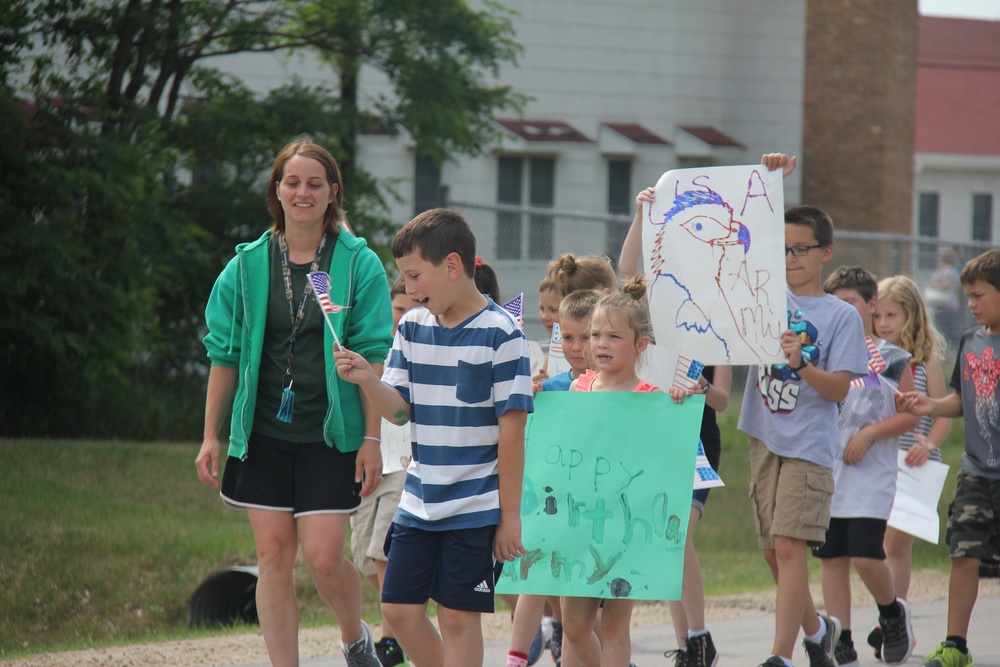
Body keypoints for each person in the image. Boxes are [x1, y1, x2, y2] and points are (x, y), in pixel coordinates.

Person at [195, 137, 392, 667]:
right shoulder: (247, 265)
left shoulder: (360, 264)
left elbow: (374, 355)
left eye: (314, 183)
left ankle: (354, 637)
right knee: (273, 557)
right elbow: (225, 354)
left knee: (326, 558)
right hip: (262, 434)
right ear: (276, 192)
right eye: (292, 182)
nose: (302, 192)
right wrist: (212, 434)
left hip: (332, 434)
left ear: (332, 194)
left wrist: (372, 440)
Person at [333, 208, 534, 667]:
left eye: (414, 276)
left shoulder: (503, 334)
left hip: (477, 507)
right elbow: (400, 412)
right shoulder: (412, 327)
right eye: (404, 279)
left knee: (459, 618)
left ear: (451, 266)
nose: (408, 290)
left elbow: (513, 433)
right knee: (398, 611)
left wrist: (509, 518)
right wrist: (368, 379)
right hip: (419, 500)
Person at [738, 154, 869, 667]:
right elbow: (734, 241)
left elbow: (839, 390)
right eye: (783, 248)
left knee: (791, 547)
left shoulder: (841, 316)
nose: (790, 257)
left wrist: (800, 363)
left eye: (801, 249)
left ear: (825, 252)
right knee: (774, 553)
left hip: (809, 442)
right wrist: (771, 182)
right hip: (762, 434)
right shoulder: (760, 295)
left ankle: (781, 655)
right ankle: (818, 631)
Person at [620, 185, 732, 667]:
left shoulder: (717, 316)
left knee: (676, 534)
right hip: (651, 433)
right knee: (663, 539)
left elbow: (724, 399)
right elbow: (626, 268)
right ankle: (686, 643)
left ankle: (700, 636)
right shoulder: (647, 303)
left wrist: (700, 387)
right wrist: (643, 211)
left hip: (695, 438)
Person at [816, 266, 919, 667]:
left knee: (864, 553)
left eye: (850, 303)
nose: (842, 311)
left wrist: (870, 434)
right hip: (828, 472)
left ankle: (892, 612)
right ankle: (841, 638)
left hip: (871, 475)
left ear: (871, 305)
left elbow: (911, 415)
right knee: (832, 556)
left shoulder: (892, 358)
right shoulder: (822, 357)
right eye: (834, 304)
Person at [902, 248, 1000, 667]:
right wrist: (929, 405)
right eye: (968, 295)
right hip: (977, 471)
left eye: (979, 295)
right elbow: (961, 399)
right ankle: (955, 645)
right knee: (963, 553)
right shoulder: (971, 341)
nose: (971, 304)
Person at [560, 276, 662, 667]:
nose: (600, 344)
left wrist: (676, 410)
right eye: (595, 335)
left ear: (640, 346)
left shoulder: (651, 400)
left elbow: (660, 461)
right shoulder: (578, 391)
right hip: (581, 524)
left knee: (617, 622)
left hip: (627, 527)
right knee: (573, 625)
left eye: (613, 337)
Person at [507, 289, 600, 667]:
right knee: (535, 572)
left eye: (587, 337)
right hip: (557, 506)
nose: (577, 347)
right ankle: (516, 658)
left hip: (600, 518)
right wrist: (531, 394)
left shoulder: (625, 390)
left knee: (592, 625)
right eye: (568, 337)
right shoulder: (551, 389)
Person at [869, 274, 952, 661]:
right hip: (878, 462)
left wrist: (929, 442)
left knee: (896, 545)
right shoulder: (870, 356)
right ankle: (892, 615)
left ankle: (897, 620)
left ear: (912, 316)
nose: (884, 322)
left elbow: (943, 415)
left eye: (892, 314)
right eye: (878, 314)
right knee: (874, 547)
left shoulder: (925, 361)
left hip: (916, 463)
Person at [349, 276, 419, 667]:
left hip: (406, 462)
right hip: (370, 458)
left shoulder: (420, 347)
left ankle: (392, 638)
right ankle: (406, 621)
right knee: (363, 555)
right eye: (398, 309)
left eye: (411, 309)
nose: (403, 317)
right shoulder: (375, 349)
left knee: (382, 551)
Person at [926, 245, 964, 353]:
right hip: (948, 304)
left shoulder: (947, 271)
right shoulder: (953, 271)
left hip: (945, 305)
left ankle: (950, 351)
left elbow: (945, 284)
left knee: (945, 330)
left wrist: (933, 285)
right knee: (947, 329)